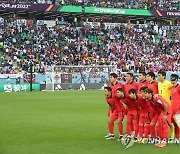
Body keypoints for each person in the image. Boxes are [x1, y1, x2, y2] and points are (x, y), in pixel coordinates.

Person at [158, 70, 174, 138]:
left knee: (167, 121)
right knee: (162, 122)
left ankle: (172, 133)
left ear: (164, 76)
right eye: (158, 75)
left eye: (159, 75)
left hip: (168, 105)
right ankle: (162, 136)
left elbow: (174, 89)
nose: (158, 77)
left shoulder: (168, 83)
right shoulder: (158, 84)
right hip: (161, 105)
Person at [170, 74, 180, 139]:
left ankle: (177, 137)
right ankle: (176, 137)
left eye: (173, 79)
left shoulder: (179, 87)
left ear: (176, 79)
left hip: (178, 107)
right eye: (171, 78)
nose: (171, 80)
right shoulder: (171, 88)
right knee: (173, 123)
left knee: (178, 123)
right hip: (172, 108)